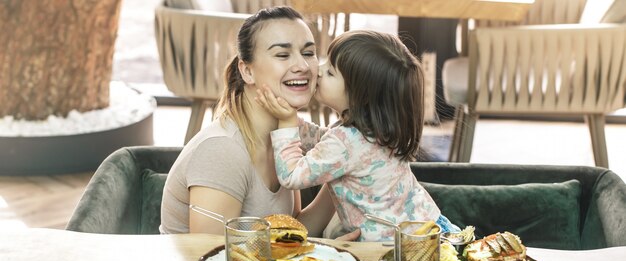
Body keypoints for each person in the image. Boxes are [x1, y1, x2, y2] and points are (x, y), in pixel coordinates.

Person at [159, 6, 359, 240]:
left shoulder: (283, 137)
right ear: (247, 71)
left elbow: (290, 234)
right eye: (282, 55)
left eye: (308, 53)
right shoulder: (221, 151)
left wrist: (344, 170)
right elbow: (212, 260)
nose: (303, 66)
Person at [255, 30, 460, 242]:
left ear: (359, 96)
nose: (317, 71)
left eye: (331, 72)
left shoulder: (346, 142)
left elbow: (292, 176)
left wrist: (287, 124)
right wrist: (287, 119)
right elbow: (324, 141)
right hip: (430, 228)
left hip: (406, 249)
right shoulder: (374, 131)